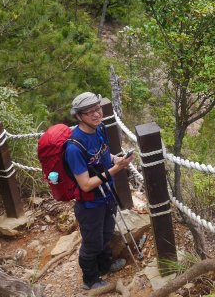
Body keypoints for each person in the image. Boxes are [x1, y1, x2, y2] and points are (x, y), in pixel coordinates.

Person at [65, 92, 135, 290]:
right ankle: (91, 279)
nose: (97, 114)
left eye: (98, 109)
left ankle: (106, 265)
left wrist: (115, 160)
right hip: (89, 204)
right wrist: (116, 170)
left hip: (107, 195)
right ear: (79, 116)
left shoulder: (100, 128)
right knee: (92, 242)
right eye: (90, 112)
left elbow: (104, 154)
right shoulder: (74, 148)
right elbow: (85, 184)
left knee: (105, 234)